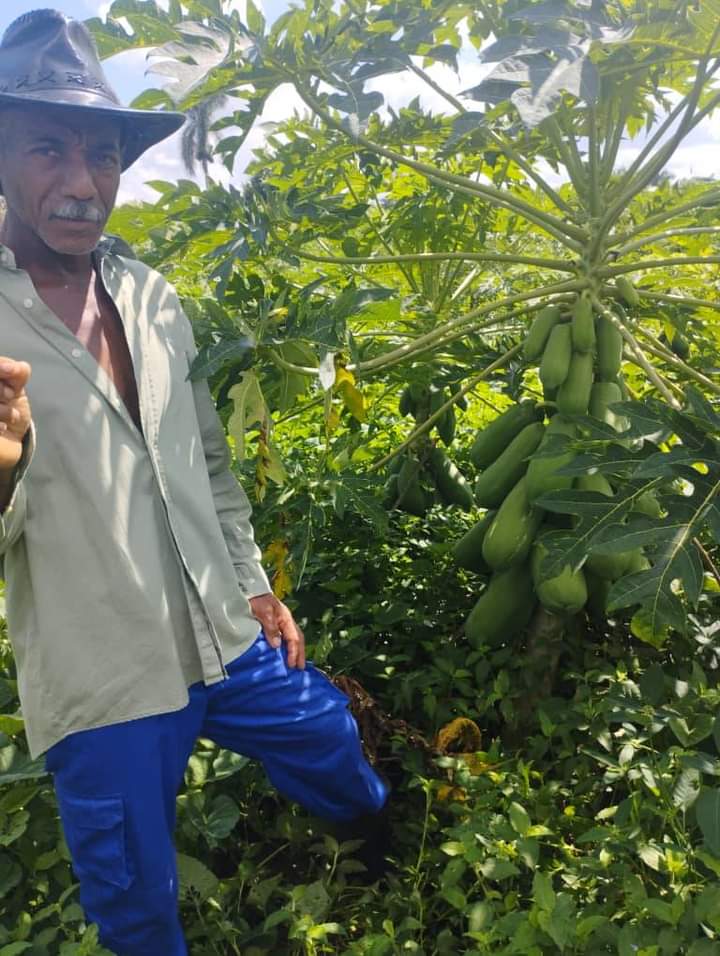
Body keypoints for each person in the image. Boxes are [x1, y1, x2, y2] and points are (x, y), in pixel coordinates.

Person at [0, 10, 388, 955]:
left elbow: (206, 462)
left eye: (102, 155)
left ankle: (382, 858)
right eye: (49, 149)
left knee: (337, 751)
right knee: (134, 899)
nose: (83, 183)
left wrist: (253, 582)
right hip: (107, 678)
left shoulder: (151, 296)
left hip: (225, 630)